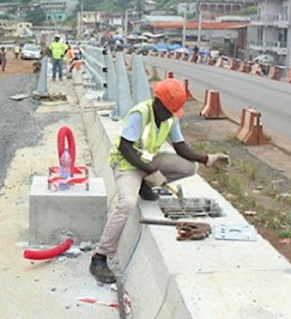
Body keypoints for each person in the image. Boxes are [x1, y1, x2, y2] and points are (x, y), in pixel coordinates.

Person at [89, 78, 230, 284]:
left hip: (148, 162)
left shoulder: (170, 118)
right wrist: (149, 171)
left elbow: (181, 147)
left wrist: (207, 158)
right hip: (127, 165)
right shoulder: (140, 114)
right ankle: (100, 257)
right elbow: (125, 148)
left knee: (190, 167)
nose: (172, 114)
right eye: (170, 110)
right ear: (159, 103)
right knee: (127, 203)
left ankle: (144, 185)